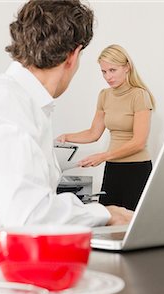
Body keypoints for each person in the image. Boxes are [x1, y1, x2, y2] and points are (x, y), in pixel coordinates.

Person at [0, 0, 133, 245]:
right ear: (73, 55)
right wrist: (104, 213)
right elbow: (29, 217)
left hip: (7, 254)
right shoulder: (5, 102)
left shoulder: (25, 103)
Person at [57, 44, 155, 211]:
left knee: (131, 223)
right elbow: (93, 133)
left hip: (137, 170)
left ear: (127, 67)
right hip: (113, 168)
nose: (108, 76)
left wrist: (104, 156)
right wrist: (66, 136)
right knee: (108, 219)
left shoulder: (139, 95)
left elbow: (139, 142)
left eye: (112, 70)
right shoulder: (104, 95)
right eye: (104, 72)